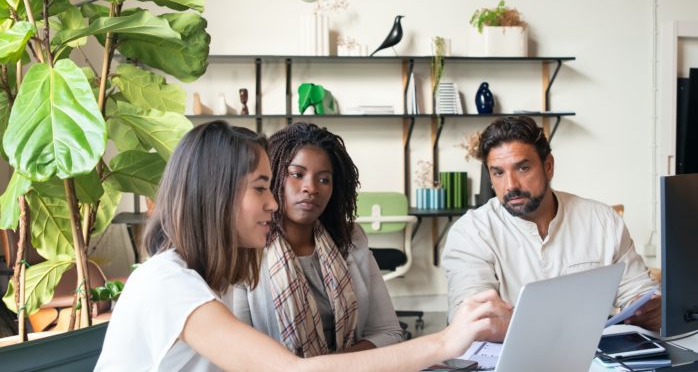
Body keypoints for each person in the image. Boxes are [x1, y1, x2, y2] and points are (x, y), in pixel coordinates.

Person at [96, 121, 496, 372]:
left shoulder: (208, 274)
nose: (273, 202)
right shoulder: (169, 283)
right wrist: (445, 341)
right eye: (260, 188)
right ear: (215, 195)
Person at [441, 116, 660, 342]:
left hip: (594, 358)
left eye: (523, 168)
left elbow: (639, 292)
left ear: (548, 167)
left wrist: (647, 309)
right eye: (498, 172)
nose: (511, 185)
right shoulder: (470, 233)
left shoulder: (602, 220)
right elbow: (471, 320)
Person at [232, 122, 402, 355]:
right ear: (273, 177)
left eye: (324, 179)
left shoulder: (350, 240)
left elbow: (389, 333)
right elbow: (240, 353)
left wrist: (330, 366)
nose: (310, 188)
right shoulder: (248, 248)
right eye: (297, 174)